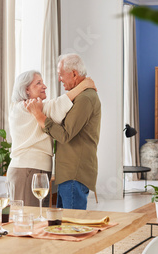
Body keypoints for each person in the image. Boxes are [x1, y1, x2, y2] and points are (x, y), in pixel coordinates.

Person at [7, 70, 95, 207]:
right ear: (26, 90)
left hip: (36, 169)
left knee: (38, 217)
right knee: (28, 218)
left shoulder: (37, 107)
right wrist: (84, 85)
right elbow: (59, 105)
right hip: (26, 169)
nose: (44, 86)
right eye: (38, 83)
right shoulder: (24, 107)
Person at [27, 53, 101, 210]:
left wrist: (40, 117)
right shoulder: (78, 96)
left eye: (61, 75)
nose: (59, 79)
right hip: (67, 174)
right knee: (62, 226)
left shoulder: (85, 98)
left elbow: (65, 134)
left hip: (74, 174)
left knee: (71, 226)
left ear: (74, 73)